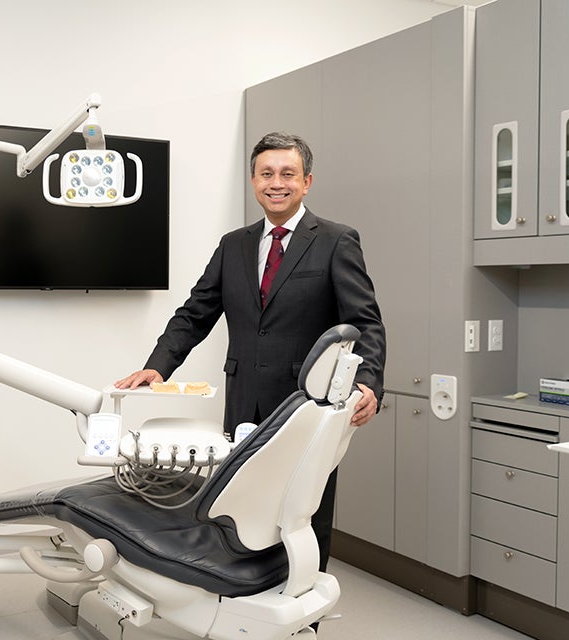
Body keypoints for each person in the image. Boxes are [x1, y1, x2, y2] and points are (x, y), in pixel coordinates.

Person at [115, 131, 386, 577]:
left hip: (307, 404)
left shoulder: (336, 241)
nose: (276, 183)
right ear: (253, 181)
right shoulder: (233, 245)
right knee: (240, 504)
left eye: (287, 174)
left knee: (305, 510)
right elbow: (194, 313)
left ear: (307, 181)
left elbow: (366, 320)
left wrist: (368, 382)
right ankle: (247, 596)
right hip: (244, 402)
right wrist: (156, 366)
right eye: (266, 173)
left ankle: (303, 606)